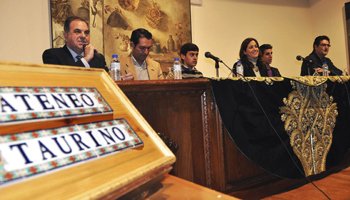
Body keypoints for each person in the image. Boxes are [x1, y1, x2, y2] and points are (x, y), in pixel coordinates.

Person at [42, 16, 109, 72]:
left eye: (86, 32)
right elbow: (63, 78)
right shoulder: (52, 55)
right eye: (77, 32)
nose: (83, 36)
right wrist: (86, 59)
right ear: (66, 36)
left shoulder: (98, 58)